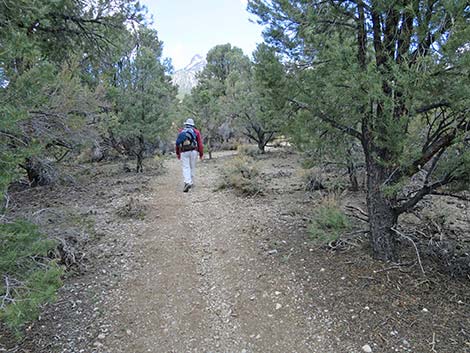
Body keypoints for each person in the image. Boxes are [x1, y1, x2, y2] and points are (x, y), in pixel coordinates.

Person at [175, 118, 203, 192]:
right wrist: (201, 154)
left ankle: (187, 182)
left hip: (184, 151)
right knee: (192, 167)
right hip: (194, 151)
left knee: (186, 167)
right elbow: (200, 144)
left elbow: (177, 143)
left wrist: (178, 153)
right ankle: (191, 182)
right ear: (193, 125)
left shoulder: (181, 131)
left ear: (186, 124)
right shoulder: (196, 132)